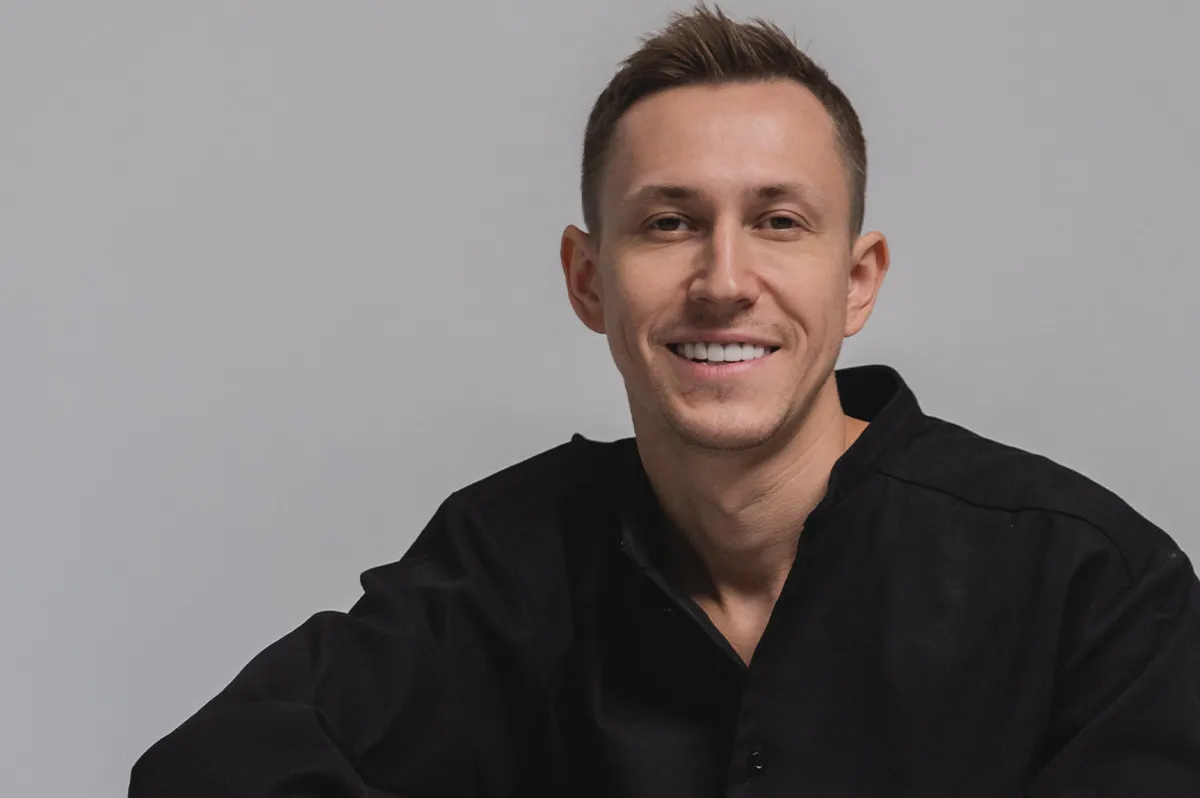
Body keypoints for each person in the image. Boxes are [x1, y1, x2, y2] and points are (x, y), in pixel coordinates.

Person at [129, 6, 1200, 796]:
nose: (724, 280)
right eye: (669, 223)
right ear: (588, 280)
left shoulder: (1093, 584)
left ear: (857, 280)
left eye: (779, 221)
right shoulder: (503, 561)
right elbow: (206, 775)